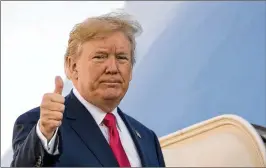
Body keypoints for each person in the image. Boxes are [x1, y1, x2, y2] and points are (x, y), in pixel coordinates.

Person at [11, 11, 165, 167]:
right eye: (100, 57)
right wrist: (44, 134)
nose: (112, 68)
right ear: (72, 66)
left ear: (131, 70)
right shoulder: (41, 127)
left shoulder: (148, 139)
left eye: (121, 58)